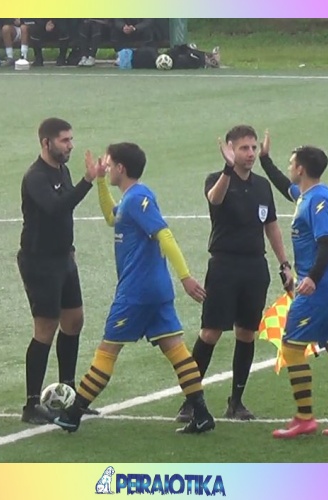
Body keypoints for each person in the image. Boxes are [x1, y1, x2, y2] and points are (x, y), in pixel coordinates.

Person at [53, 143, 214, 434]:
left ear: (121, 168)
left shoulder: (137, 198)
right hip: (157, 289)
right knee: (175, 349)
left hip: (137, 292)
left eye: (109, 164)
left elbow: (165, 235)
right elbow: (111, 217)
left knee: (107, 350)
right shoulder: (132, 199)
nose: (107, 166)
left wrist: (186, 277)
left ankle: (73, 414)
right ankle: (201, 414)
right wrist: (100, 180)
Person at [175, 125, 293, 423]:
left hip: (255, 267)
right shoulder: (217, 179)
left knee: (247, 332)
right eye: (244, 148)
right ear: (230, 150)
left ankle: (236, 401)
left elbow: (271, 226)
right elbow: (214, 199)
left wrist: (284, 263)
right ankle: (190, 400)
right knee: (210, 332)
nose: (250, 153)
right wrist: (228, 170)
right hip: (224, 266)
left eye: (253, 147)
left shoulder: (262, 186)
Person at [256, 136, 328, 438]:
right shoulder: (309, 195)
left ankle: (304, 418)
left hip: (320, 287)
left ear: (301, 169)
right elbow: (284, 186)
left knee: (291, 347)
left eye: (291, 163)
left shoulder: (317, 201)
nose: (289, 168)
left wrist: (312, 278)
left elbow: (326, 242)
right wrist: (265, 160)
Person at [18, 118, 99, 424]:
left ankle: (68, 394)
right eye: (64, 140)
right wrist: (87, 181)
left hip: (63, 258)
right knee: (46, 328)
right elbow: (56, 207)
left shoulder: (61, 171)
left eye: (71, 139)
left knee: (74, 320)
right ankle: (30, 404)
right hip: (39, 261)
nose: (70, 146)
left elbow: (65, 211)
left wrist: (70, 248)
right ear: (46, 143)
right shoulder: (36, 177)